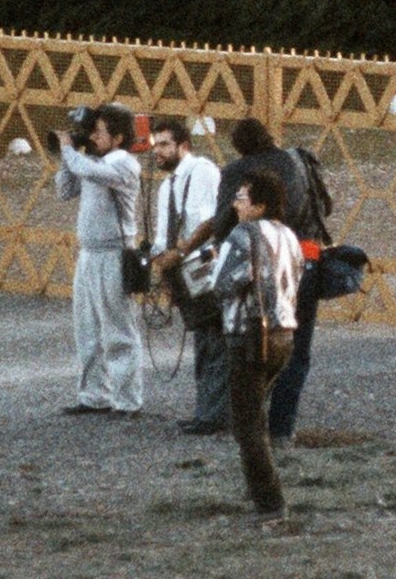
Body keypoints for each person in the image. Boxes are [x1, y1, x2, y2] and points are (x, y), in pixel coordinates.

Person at [150, 118, 321, 441]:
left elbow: (223, 265)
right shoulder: (295, 164)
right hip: (303, 262)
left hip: (251, 307)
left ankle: (236, 427)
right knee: (294, 357)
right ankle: (281, 429)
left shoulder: (239, 194)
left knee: (233, 358)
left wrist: (188, 257)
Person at [211, 169, 301, 524]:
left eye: (242, 198)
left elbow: (223, 284)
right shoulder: (289, 236)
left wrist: (217, 261)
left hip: (249, 335)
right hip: (284, 332)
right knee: (258, 413)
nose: (236, 203)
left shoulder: (242, 234)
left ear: (260, 205)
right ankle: (257, 485)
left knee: (246, 423)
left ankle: (269, 502)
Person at [55, 104, 144, 417]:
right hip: (89, 252)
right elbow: (64, 190)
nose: (92, 136)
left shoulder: (123, 164)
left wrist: (70, 150)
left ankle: (127, 400)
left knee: (118, 330)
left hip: (114, 252)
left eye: (99, 132)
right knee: (88, 329)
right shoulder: (91, 161)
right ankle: (94, 396)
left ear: (118, 138)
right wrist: (68, 157)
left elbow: (92, 172)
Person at [147, 118, 226, 436]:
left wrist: (179, 253)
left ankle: (214, 413)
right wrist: (162, 266)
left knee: (216, 339)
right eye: (156, 145)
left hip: (203, 268)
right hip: (181, 273)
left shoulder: (202, 171)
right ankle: (205, 410)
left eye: (165, 144)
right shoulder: (167, 185)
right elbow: (162, 233)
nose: (158, 151)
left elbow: (210, 220)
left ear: (183, 146)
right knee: (203, 340)